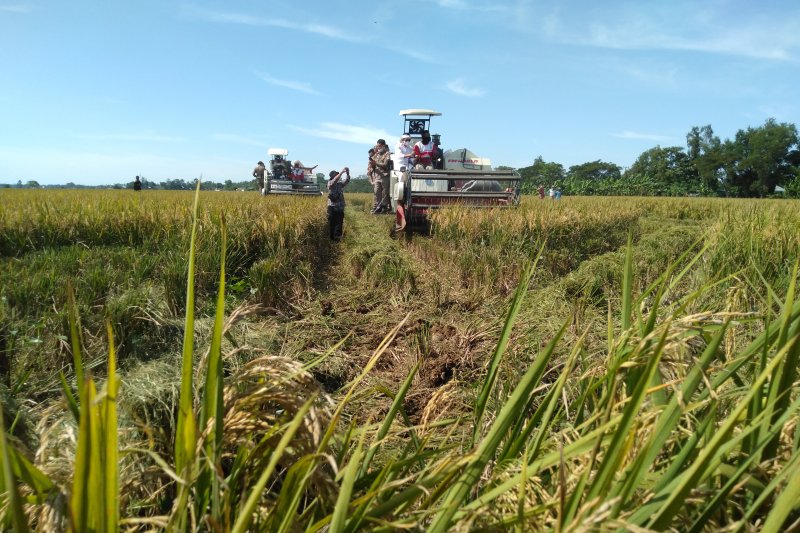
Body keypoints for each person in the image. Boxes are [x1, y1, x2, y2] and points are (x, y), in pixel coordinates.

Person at [327, 167, 351, 241]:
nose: (338, 176)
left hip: (340, 207)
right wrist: (341, 172)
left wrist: (347, 173)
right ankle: (332, 239)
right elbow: (335, 180)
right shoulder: (330, 183)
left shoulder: (339, 184)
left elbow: (347, 180)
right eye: (336, 174)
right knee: (332, 223)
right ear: (332, 176)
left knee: (339, 223)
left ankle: (337, 239)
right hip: (332, 207)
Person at [370, 139, 391, 214]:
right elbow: (373, 166)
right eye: (377, 146)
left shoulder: (387, 154)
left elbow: (386, 165)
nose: (378, 147)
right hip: (377, 176)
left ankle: (385, 207)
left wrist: (376, 164)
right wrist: (372, 164)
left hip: (385, 176)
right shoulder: (376, 154)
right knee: (376, 191)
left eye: (379, 146)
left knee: (384, 193)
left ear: (383, 145)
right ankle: (378, 206)